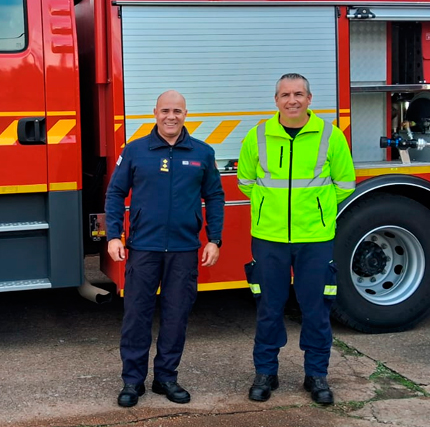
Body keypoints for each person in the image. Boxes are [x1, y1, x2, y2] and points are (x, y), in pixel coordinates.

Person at [237, 73, 356, 405]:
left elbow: (345, 184)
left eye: (299, 94)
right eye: (286, 94)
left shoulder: (330, 136)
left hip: (315, 238)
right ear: (276, 100)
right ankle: (265, 373)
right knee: (269, 309)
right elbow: (244, 182)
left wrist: (315, 211)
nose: (292, 100)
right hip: (269, 236)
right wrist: (270, 208)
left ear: (309, 98)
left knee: (316, 309)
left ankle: (316, 376)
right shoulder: (258, 135)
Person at [105, 90, 225, 408]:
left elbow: (215, 196)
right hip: (143, 248)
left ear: (186, 114)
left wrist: (215, 239)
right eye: (165, 110)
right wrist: (113, 235)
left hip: (184, 250)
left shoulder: (202, 152)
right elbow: (115, 193)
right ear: (154, 113)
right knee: (136, 317)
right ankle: (132, 381)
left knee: (176, 316)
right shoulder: (135, 152)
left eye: (178, 111)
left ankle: (166, 378)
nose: (171, 116)